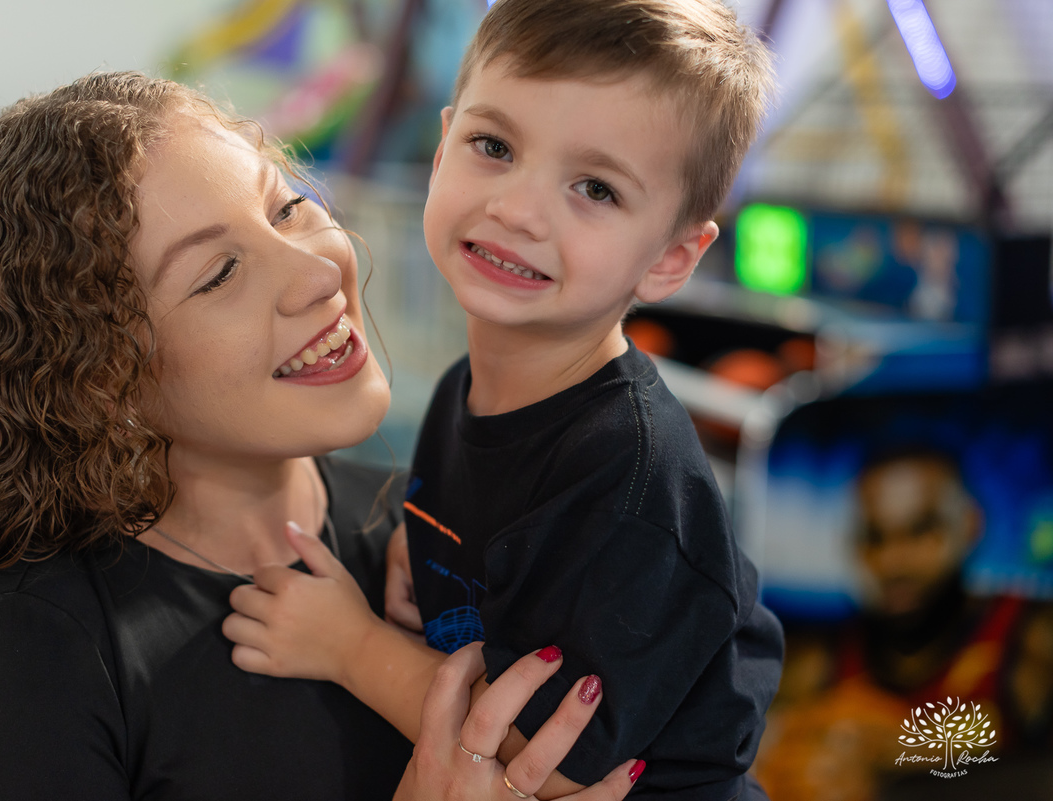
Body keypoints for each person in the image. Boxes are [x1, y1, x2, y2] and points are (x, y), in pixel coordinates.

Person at [0, 71, 640, 801]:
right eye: (217, 275)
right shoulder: (35, 645)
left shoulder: (419, 528)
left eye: (287, 209)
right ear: (98, 376)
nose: (315, 272)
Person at [223, 1, 784, 797]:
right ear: (443, 145)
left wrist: (349, 646)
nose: (517, 209)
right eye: (494, 147)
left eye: (594, 187)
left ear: (670, 257)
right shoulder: (472, 387)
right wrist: (435, 560)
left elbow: (537, 755)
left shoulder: (626, 476)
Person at [754, 448, 1053, 801]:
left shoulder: (1031, 639)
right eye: (875, 538)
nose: (894, 561)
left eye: (921, 531)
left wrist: (894, 763)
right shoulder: (815, 667)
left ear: (970, 525)